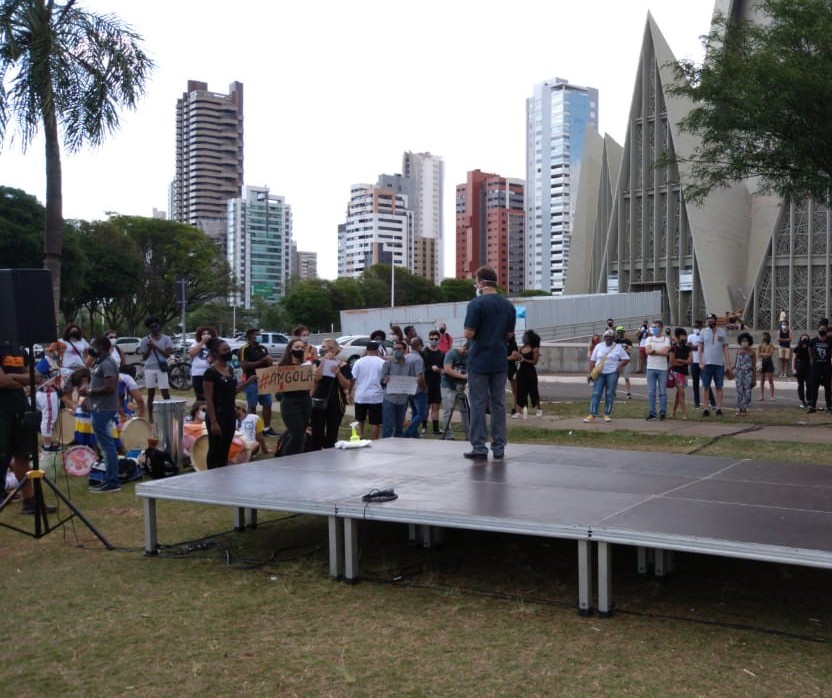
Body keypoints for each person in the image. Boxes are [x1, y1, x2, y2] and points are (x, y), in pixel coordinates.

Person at [463, 266, 516, 460]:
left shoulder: (476, 304)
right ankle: (499, 446)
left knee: (477, 404)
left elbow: (469, 333)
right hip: (499, 360)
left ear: (482, 283)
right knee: (498, 404)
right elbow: (509, 335)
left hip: (479, 361)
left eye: (476, 281)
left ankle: (479, 446)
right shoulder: (508, 306)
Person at [0, 343, 57, 514]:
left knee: (23, 455)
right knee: (1, 456)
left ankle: (30, 501)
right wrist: (22, 379)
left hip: (21, 408)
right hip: (2, 411)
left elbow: (37, 377)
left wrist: (11, 377)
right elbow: (2, 381)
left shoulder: (20, 350)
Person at [81, 336, 121, 493]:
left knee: (107, 445)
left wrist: (90, 391)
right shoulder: (99, 362)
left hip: (104, 408)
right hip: (98, 406)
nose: (91, 348)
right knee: (104, 444)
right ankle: (110, 479)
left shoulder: (108, 363)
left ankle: (113, 481)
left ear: (102, 346)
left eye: (93, 345)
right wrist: (88, 400)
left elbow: (110, 387)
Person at [202, 338, 240, 468]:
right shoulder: (210, 373)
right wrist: (213, 422)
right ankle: (212, 474)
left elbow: (232, 391)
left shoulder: (229, 369)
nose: (228, 352)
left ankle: (222, 473)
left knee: (225, 448)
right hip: (217, 415)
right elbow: (209, 400)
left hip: (230, 414)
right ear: (216, 353)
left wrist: (249, 381)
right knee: (215, 448)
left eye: (229, 349)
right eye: (224, 350)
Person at [311, 339, 352, 448]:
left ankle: (330, 452)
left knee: (332, 431)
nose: (322, 349)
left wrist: (338, 373)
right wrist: (324, 362)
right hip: (319, 399)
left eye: (325, 347)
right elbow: (317, 378)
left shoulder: (344, 365)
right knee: (317, 430)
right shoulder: (317, 362)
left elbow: (346, 385)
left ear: (333, 350)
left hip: (336, 400)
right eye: (322, 347)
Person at [583, 329, 630, 423]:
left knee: (610, 394)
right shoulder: (598, 346)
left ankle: (607, 414)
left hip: (612, 373)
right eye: (606, 337)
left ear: (614, 338)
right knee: (596, 393)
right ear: (604, 337)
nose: (608, 339)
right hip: (599, 373)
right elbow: (592, 361)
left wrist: (619, 366)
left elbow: (626, 358)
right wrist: (589, 373)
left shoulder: (618, 347)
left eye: (610, 337)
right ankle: (592, 414)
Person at [278, 338, 313, 455]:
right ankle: (285, 458)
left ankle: (298, 457)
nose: (300, 350)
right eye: (297, 347)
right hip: (290, 403)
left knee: (301, 434)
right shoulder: (283, 366)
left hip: (305, 401)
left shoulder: (306, 365)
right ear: (290, 350)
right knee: (296, 435)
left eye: (302, 348)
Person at [239, 328, 277, 436]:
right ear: (251, 336)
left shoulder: (262, 348)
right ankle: (253, 428)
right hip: (251, 380)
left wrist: (270, 362)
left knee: (267, 404)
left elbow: (267, 363)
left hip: (264, 380)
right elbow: (244, 365)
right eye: (258, 334)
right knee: (252, 405)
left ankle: (267, 428)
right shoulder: (244, 349)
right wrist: (261, 361)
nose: (260, 336)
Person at [138, 317, 173, 423]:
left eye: (156, 326)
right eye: (151, 327)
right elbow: (144, 357)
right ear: (148, 328)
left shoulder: (166, 339)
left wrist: (155, 346)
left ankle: (169, 414)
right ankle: (151, 417)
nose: (154, 328)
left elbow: (167, 355)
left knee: (165, 392)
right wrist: (149, 347)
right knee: (151, 392)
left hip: (161, 367)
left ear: (159, 326)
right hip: (149, 368)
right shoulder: (145, 340)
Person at [381, 340, 418, 438]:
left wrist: (413, 384)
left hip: (403, 399)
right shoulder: (388, 363)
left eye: (399, 349)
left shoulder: (409, 364)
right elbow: (381, 380)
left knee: (399, 426)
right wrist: (385, 379)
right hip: (390, 398)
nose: (397, 351)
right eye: (395, 349)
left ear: (404, 350)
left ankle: (399, 447)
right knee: (388, 426)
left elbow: (412, 379)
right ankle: (385, 446)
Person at [350, 340, 385, 439]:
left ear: (366, 349)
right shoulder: (382, 362)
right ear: (377, 349)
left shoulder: (359, 362)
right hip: (376, 396)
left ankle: (360, 437)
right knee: (375, 422)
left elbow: (353, 378)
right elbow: (385, 379)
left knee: (360, 419)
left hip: (361, 395)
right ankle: (374, 440)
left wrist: (349, 392)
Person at [699, 313, 730, 417]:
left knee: (719, 387)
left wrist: (728, 363)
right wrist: (700, 361)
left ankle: (719, 408)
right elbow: (700, 348)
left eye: (712, 319)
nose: (710, 321)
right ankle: (706, 408)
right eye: (708, 320)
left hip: (719, 364)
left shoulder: (722, 332)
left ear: (715, 320)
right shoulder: (703, 332)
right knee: (706, 387)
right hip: (706, 364)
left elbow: (725, 349)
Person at [442, 340, 470, 439]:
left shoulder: (470, 356)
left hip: (462, 387)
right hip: (448, 385)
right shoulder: (451, 354)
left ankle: (468, 435)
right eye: (468, 351)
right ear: (465, 348)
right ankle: (449, 435)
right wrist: (463, 376)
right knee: (448, 411)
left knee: (465, 411)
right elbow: (447, 369)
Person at [644, 319, 671, 421]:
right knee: (651, 392)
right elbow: (647, 351)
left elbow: (666, 352)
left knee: (662, 392)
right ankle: (652, 413)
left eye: (655, 327)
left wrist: (653, 351)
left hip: (662, 369)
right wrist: (658, 351)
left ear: (661, 328)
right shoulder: (649, 339)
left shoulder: (666, 339)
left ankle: (663, 412)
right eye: (653, 327)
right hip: (650, 368)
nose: (653, 329)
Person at [403, 337, 428, 438]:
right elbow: (419, 377)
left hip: (409, 389)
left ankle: (414, 433)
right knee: (422, 413)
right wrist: (425, 387)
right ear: (419, 346)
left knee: (415, 411)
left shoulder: (407, 357)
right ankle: (409, 432)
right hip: (418, 390)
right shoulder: (418, 359)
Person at [422, 330, 445, 434]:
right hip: (426, 383)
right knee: (426, 406)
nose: (433, 341)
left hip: (437, 383)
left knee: (436, 406)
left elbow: (444, 368)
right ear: (429, 338)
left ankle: (435, 429)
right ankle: (424, 427)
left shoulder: (441, 354)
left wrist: (440, 370)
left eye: (436, 339)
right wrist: (431, 368)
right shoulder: (424, 352)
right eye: (431, 339)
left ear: (439, 340)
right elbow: (421, 368)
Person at [515, 330, 542, 418]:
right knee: (520, 391)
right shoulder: (521, 348)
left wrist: (525, 360)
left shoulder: (535, 349)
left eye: (526, 337)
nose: (524, 338)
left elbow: (534, 362)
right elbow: (518, 359)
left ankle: (539, 409)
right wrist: (516, 357)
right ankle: (519, 411)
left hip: (530, 372)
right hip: (521, 371)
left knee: (533, 390)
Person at [188, 326, 217, 401]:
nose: (206, 335)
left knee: (212, 396)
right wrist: (202, 342)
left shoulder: (215, 344)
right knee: (200, 396)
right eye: (204, 334)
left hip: (211, 372)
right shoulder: (196, 343)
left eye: (208, 333)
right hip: (197, 373)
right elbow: (192, 353)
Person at [807, 323, 831, 413]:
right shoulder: (813, 341)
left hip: (826, 367)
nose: (822, 329)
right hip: (815, 368)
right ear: (818, 329)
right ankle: (812, 406)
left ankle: (829, 406)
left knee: (827, 388)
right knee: (814, 387)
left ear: (826, 330)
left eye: (824, 328)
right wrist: (811, 360)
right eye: (821, 328)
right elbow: (809, 350)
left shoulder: (829, 341)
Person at [669, 327, 692, 420]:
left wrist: (680, 360)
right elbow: (672, 362)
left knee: (679, 394)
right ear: (678, 339)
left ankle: (673, 412)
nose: (684, 340)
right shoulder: (673, 348)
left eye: (685, 339)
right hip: (676, 373)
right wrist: (685, 362)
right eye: (682, 339)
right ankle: (684, 414)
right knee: (682, 393)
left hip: (684, 373)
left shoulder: (688, 348)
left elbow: (690, 361)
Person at [734, 332, 756, 416]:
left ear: (749, 341)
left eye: (746, 340)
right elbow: (735, 363)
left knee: (747, 391)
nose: (744, 342)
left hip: (748, 374)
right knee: (739, 391)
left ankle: (745, 408)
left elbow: (753, 366)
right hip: (739, 373)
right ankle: (738, 407)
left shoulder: (752, 352)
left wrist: (754, 379)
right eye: (742, 340)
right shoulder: (738, 351)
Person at [792, 333, 812, 409]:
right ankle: (801, 400)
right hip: (799, 367)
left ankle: (809, 400)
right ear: (800, 339)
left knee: (809, 384)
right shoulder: (797, 348)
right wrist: (793, 369)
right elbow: (793, 359)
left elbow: (811, 358)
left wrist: (812, 367)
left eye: (806, 339)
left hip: (808, 368)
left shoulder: (810, 348)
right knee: (800, 385)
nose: (804, 340)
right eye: (803, 339)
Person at [614, 326, 634, 400]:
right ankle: (614, 392)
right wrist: (624, 349)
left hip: (626, 361)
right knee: (615, 378)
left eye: (621, 332)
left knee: (627, 378)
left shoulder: (628, 341)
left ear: (623, 332)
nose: (620, 333)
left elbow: (629, 350)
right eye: (619, 332)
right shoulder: (615, 341)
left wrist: (623, 349)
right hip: (617, 362)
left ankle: (628, 393)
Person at [757, 331, 776, 401]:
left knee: (770, 380)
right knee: (762, 381)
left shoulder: (771, 345)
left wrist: (762, 353)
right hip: (762, 363)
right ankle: (761, 396)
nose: (764, 338)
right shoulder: (759, 345)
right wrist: (765, 354)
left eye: (765, 336)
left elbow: (770, 354)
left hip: (769, 363)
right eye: (763, 336)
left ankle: (772, 396)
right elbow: (758, 355)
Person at [507, 334, 521, 416]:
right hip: (503, 367)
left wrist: (504, 358)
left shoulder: (513, 344)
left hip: (511, 368)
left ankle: (515, 407)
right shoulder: (501, 342)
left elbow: (515, 356)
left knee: (515, 389)